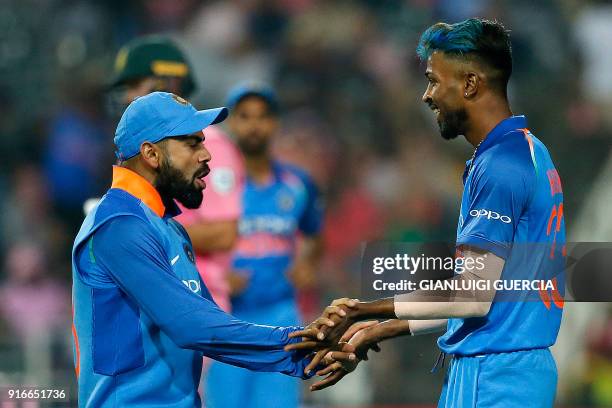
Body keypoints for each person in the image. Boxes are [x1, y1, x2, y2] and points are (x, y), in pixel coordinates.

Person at [289, 18, 567, 407]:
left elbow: (471, 294)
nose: (427, 95)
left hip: (493, 377)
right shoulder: (530, 152)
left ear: (469, 84)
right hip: (509, 371)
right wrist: (380, 329)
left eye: (435, 80)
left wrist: (362, 309)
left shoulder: (501, 166)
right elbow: (488, 292)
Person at [71, 92, 345, 407]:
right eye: (192, 143)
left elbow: (213, 322)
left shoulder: (169, 227)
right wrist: (299, 341)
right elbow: (192, 326)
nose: (207, 155)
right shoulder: (119, 224)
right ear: (150, 153)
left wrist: (313, 349)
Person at [205, 83, 324, 408]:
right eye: (244, 117)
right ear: (231, 125)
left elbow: (314, 233)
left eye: (262, 117)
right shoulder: (211, 186)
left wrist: (307, 264)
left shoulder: (297, 184)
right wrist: (214, 278)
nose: (253, 125)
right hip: (227, 318)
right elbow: (185, 239)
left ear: (275, 123)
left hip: (281, 318)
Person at [109, 35, 244, 311]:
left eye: (135, 84)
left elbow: (224, 234)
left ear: (170, 83)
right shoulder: (142, 149)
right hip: (162, 303)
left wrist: (133, 237)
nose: (125, 96)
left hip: (200, 305)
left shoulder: (211, 143)